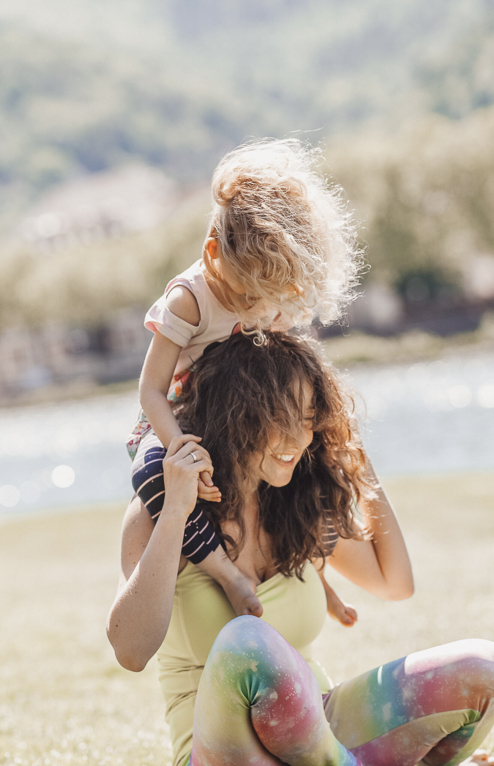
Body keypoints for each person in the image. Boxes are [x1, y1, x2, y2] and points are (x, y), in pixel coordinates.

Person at [107, 333, 494, 766]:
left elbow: (394, 581)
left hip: (319, 734)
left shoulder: (296, 504)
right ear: (237, 413)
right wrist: (175, 511)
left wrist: (354, 457)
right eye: (282, 420)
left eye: (308, 421)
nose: (298, 440)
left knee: (490, 665)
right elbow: (131, 651)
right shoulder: (165, 507)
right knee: (245, 639)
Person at [127, 138, 361, 626]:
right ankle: (227, 574)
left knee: (301, 468)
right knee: (152, 474)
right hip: (183, 417)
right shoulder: (188, 299)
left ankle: (316, 576)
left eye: (266, 293)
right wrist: (183, 450)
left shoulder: (268, 287)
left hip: (242, 418)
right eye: (244, 290)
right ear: (213, 252)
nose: (254, 303)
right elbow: (151, 390)